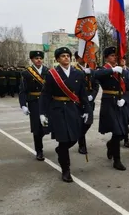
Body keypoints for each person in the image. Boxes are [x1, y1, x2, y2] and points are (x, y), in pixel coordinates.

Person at [39, 47, 91, 182]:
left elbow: (82, 94)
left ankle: (61, 150)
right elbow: (45, 95)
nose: (66, 58)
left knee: (75, 136)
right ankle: (66, 170)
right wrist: (42, 113)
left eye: (68, 55)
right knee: (63, 140)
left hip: (73, 109)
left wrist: (86, 109)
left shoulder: (78, 74)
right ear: (57, 59)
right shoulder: (52, 74)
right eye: (62, 56)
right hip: (58, 110)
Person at [95, 46, 129, 171]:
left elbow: (128, 88)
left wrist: (124, 99)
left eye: (116, 55)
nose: (114, 57)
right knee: (117, 131)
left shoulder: (122, 71)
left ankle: (110, 144)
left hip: (120, 102)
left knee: (123, 132)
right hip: (109, 102)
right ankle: (117, 160)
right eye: (112, 56)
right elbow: (96, 74)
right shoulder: (104, 69)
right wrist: (112, 70)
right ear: (106, 58)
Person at [19, 51, 49, 161]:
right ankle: (39, 151)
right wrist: (23, 105)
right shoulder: (26, 73)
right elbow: (22, 91)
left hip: (46, 103)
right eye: (36, 58)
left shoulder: (48, 71)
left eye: (40, 58)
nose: (39, 60)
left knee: (46, 126)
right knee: (37, 128)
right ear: (32, 60)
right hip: (34, 103)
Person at [73, 51, 100, 154]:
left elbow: (96, 85)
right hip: (78, 100)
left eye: (85, 56)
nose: (84, 58)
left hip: (89, 100)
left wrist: (92, 96)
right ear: (76, 58)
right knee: (80, 122)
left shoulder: (91, 69)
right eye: (81, 57)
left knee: (88, 122)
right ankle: (82, 145)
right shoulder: (74, 70)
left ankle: (79, 136)